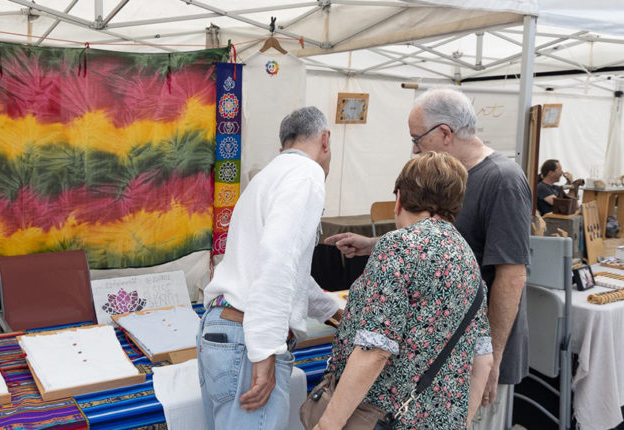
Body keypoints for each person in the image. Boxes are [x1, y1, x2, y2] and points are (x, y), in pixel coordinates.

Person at [326, 88, 532, 430]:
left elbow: (512, 276)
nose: (414, 148)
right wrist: (373, 244)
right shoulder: (452, 181)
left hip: (469, 359)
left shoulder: (502, 180)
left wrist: (492, 359)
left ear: (445, 133)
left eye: (417, 138)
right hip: (441, 365)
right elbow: (432, 246)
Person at [312, 152, 493, 430]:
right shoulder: (467, 259)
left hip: (383, 418)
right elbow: (483, 358)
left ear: (399, 199)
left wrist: (328, 425)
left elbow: (374, 350)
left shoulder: (397, 247)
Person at [199, 106, 343, 430]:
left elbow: (286, 269)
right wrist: (264, 351)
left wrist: (333, 311)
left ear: (283, 147)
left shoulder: (267, 176)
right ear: (325, 140)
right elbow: (277, 259)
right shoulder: (307, 174)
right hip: (246, 337)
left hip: (223, 326)